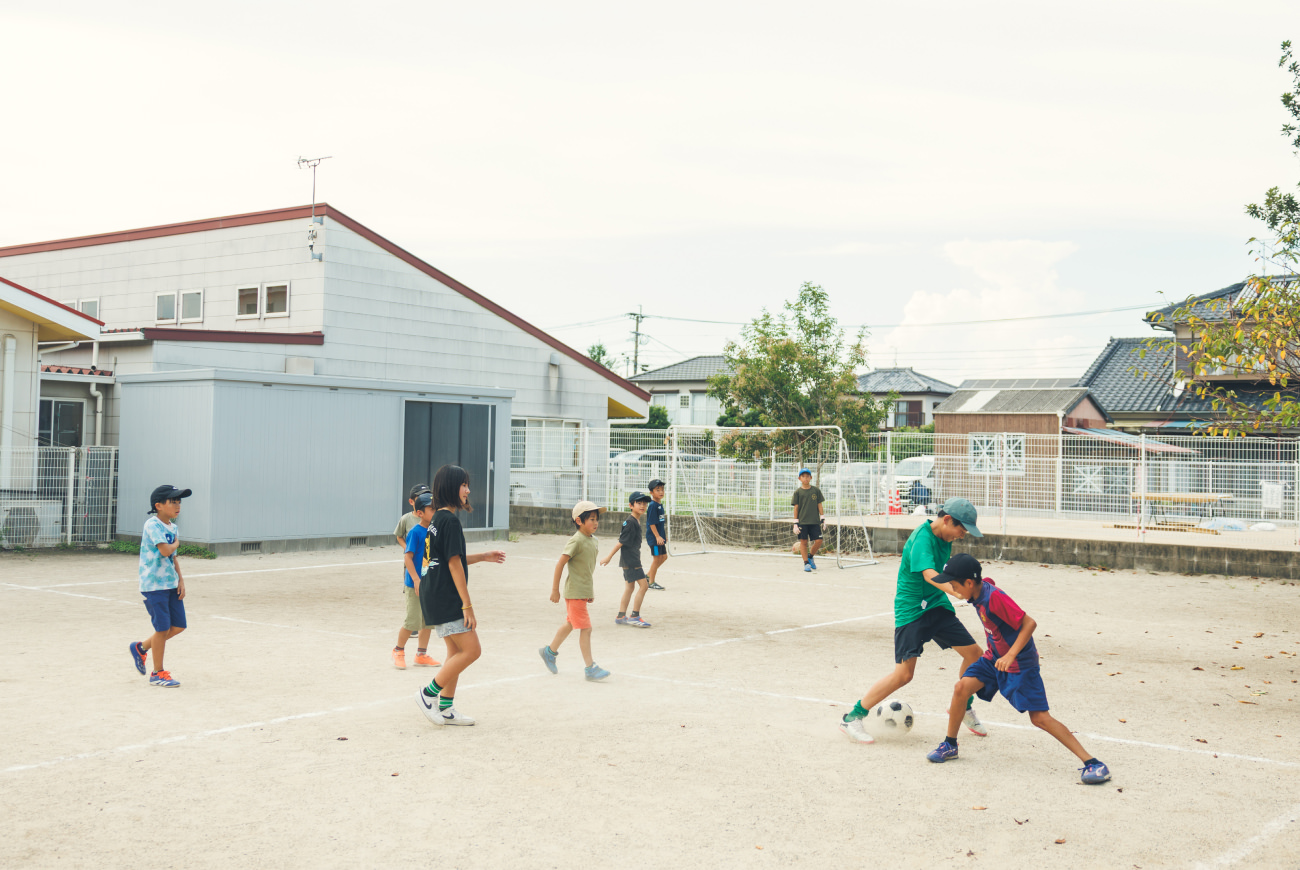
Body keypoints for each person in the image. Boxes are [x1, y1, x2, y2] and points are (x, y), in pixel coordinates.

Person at [925, 554, 1112, 785]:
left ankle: (1093, 762)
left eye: (954, 584)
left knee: (1040, 718)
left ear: (969, 583)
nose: (951, 588)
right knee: (961, 687)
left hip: (1019, 663)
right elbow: (988, 584)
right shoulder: (978, 591)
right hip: (994, 658)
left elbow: (1029, 623)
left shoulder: (995, 599)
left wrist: (1011, 654)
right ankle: (950, 745)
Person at [839, 497, 988, 744]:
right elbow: (929, 574)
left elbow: (945, 572)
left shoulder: (944, 536)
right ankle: (852, 717)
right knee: (904, 675)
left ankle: (961, 706)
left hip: (936, 605)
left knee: (975, 655)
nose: (962, 536)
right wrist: (958, 592)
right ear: (948, 520)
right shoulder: (922, 538)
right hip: (912, 609)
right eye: (961, 530)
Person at [415, 465, 506, 726]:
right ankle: (427, 694)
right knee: (472, 650)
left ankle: (446, 708)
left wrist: (483, 557)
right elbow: (454, 564)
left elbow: (448, 558)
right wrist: (467, 605)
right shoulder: (450, 521)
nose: (468, 490)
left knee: (455, 651)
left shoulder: (438, 520)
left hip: (434, 593)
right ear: (451, 488)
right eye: (463, 485)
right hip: (446, 597)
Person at [539, 501, 611, 681]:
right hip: (574, 593)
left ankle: (549, 652)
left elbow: (586, 570)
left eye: (597, 519)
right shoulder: (576, 540)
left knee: (571, 624)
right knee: (586, 629)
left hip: (581, 592)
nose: (596, 523)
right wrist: (555, 589)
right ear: (579, 521)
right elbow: (560, 564)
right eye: (592, 519)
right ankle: (590, 668)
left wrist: (589, 592)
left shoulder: (593, 540)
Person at [129, 485, 192, 688]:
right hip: (154, 586)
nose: (177, 505)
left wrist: (180, 579)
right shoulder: (152, 525)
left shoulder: (173, 527)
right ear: (158, 505)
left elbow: (172, 558)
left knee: (179, 626)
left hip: (170, 584)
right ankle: (158, 673)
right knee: (162, 627)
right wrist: (176, 544)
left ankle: (141, 648)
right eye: (173, 501)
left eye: (179, 501)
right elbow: (166, 550)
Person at [392, 492, 439, 670]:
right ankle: (398, 650)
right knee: (412, 621)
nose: (435, 512)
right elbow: (408, 558)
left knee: (427, 621)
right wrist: (416, 580)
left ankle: (421, 654)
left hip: (430, 584)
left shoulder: (434, 531)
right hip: (415, 585)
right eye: (431, 509)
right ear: (420, 513)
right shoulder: (415, 533)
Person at [600, 491, 652, 628]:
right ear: (631, 505)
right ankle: (634, 616)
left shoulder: (634, 520)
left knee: (630, 587)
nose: (642, 506)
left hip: (629, 559)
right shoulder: (630, 523)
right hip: (631, 560)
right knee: (644, 586)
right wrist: (609, 556)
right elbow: (620, 542)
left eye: (644, 503)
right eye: (639, 503)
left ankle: (621, 616)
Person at [791, 468, 825, 572]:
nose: (805, 478)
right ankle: (806, 563)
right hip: (802, 522)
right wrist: (795, 523)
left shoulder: (815, 490)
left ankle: (810, 556)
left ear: (811, 478)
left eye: (807, 476)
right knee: (804, 542)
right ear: (799, 478)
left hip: (814, 521)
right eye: (803, 476)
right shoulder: (798, 492)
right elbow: (796, 508)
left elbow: (819, 505)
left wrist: (822, 518)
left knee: (819, 540)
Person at [644, 478, 668, 590]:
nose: (661, 492)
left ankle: (648, 575)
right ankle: (651, 582)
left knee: (664, 557)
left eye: (662, 489)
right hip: (654, 538)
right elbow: (652, 523)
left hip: (659, 537)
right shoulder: (653, 505)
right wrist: (657, 536)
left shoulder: (659, 505)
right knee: (657, 558)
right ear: (651, 492)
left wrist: (663, 535)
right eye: (657, 490)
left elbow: (660, 523)